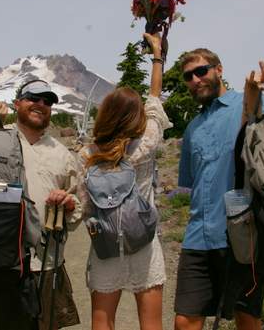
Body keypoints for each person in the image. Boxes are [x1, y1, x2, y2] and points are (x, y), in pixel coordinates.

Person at [173, 48, 264, 330]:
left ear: (219, 69)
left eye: (201, 71)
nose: (195, 79)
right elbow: (192, 184)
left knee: (246, 317)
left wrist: (252, 88)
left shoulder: (245, 102)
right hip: (198, 237)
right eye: (188, 76)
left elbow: (253, 116)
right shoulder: (192, 128)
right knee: (185, 321)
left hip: (243, 234)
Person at [77, 33, 172, 330]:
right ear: (136, 119)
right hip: (143, 244)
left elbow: (85, 207)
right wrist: (157, 56)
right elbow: (154, 100)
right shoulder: (145, 145)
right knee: (151, 324)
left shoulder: (87, 154)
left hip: (105, 246)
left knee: (102, 323)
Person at [0, 79, 82, 330]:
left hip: (46, 263)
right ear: (17, 104)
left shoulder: (62, 154)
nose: (41, 105)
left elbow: (77, 205)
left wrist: (68, 205)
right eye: (34, 98)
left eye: (47, 101)